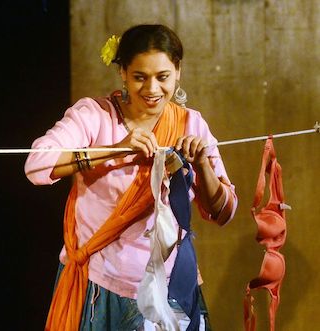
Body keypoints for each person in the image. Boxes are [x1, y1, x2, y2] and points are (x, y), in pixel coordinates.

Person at [24, 24, 237, 331]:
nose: (152, 89)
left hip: (170, 287)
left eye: (162, 77)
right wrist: (114, 149)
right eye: (140, 77)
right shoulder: (95, 115)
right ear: (122, 72)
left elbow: (225, 213)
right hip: (101, 286)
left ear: (178, 71)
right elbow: (36, 165)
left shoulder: (191, 124)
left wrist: (202, 165)